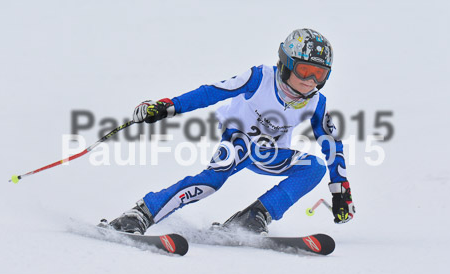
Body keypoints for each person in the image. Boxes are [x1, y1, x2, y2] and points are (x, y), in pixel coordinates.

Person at [107, 28, 355, 235]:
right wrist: (167, 106)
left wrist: (340, 190)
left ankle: (254, 217)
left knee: (314, 168)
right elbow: (210, 93)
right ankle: (141, 213)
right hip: (238, 139)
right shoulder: (259, 78)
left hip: (270, 153)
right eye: (304, 71)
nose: (310, 80)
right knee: (212, 181)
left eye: (319, 74)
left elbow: (331, 144)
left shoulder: (316, 102)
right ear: (287, 63)